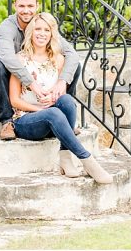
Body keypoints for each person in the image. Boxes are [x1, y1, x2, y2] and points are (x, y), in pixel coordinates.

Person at [8, 10, 111, 183]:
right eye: (38, 29)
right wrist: (40, 108)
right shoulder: (20, 60)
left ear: (52, 34)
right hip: (25, 121)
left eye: (46, 30)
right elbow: (14, 100)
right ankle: (88, 161)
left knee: (67, 101)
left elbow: (60, 96)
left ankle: (65, 157)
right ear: (31, 31)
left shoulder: (58, 59)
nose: (41, 33)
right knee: (54, 113)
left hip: (51, 118)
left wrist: (53, 100)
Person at [0, 0, 80, 140]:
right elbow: (6, 57)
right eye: (22, 6)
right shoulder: (7, 27)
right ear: (15, 6)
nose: (26, 10)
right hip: (13, 75)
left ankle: (66, 114)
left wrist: (61, 82)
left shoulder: (42, 25)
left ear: (37, 6)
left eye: (30, 6)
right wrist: (31, 82)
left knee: (74, 66)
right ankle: (7, 121)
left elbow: (71, 54)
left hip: (40, 75)